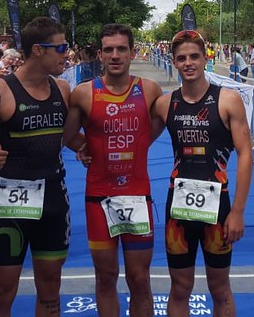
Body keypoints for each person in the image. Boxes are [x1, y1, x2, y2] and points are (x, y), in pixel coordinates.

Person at [0, 17, 73, 317]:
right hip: (12, 204)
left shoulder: (63, 89)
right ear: (38, 50)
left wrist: (88, 148)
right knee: (2, 291)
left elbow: (67, 137)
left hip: (54, 200)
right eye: (61, 47)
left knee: (51, 289)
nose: (66, 53)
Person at [63, 24, 164, 317]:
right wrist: (85, 146)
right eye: (109, 49)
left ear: (133, 53)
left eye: (122, 49)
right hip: (99, 199)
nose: (115, 55)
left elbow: (153, 130)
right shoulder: (84, 93)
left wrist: (134, 145)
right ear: (100, 54)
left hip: (137, 197)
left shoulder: (149, 90)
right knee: (105, 278)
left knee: (139, 280)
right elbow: (65, 136)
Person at [152, 29, 252, 317]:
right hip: (178, 211)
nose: (188, 63)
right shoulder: (165, 104)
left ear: (205, 57)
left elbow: (245, 154)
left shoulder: (227, 100)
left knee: (219, 288)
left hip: (218, 209)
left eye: (194, 56)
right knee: (180, 287)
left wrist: (238, 212)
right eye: (181, 58)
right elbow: (138, 141)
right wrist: (86, 147)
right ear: (173, 61)